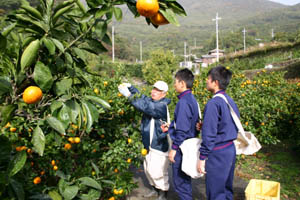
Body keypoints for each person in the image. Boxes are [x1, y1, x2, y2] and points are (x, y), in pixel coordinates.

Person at [197, 66, 239, 200]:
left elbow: (209, 136)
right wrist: (207, 125)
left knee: (215, 191)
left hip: (218, 152)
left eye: (208, 79)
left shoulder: (213, 103)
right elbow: (229, 123)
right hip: (229, 149)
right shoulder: (229, 100)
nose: (206, 81)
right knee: (226, 188)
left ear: (215, 82)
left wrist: (202, 157)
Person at [126, 81, 171, 200]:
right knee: (148, 169)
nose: (154, 92)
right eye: (154, 89)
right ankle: (154, 189)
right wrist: (131, 87)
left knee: (158, 171)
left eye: (158, 91)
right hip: (148, 143)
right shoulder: (152, 101)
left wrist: (129, 97)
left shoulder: (161, 105)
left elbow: (144, 106)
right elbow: (142, 97)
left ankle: (163, 193)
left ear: (164, 94)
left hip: (159, 143)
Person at [162, 68, 200, 200]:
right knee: (185, 181)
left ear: (182, 83)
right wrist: (171, 126)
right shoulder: (192, 99)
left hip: (182, 147)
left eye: (176, 82)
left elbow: (183, 129)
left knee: (180, 183)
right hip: (188, 144)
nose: (174, 85)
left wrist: (174, 148)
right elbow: (189, 123)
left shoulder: (183, 103)